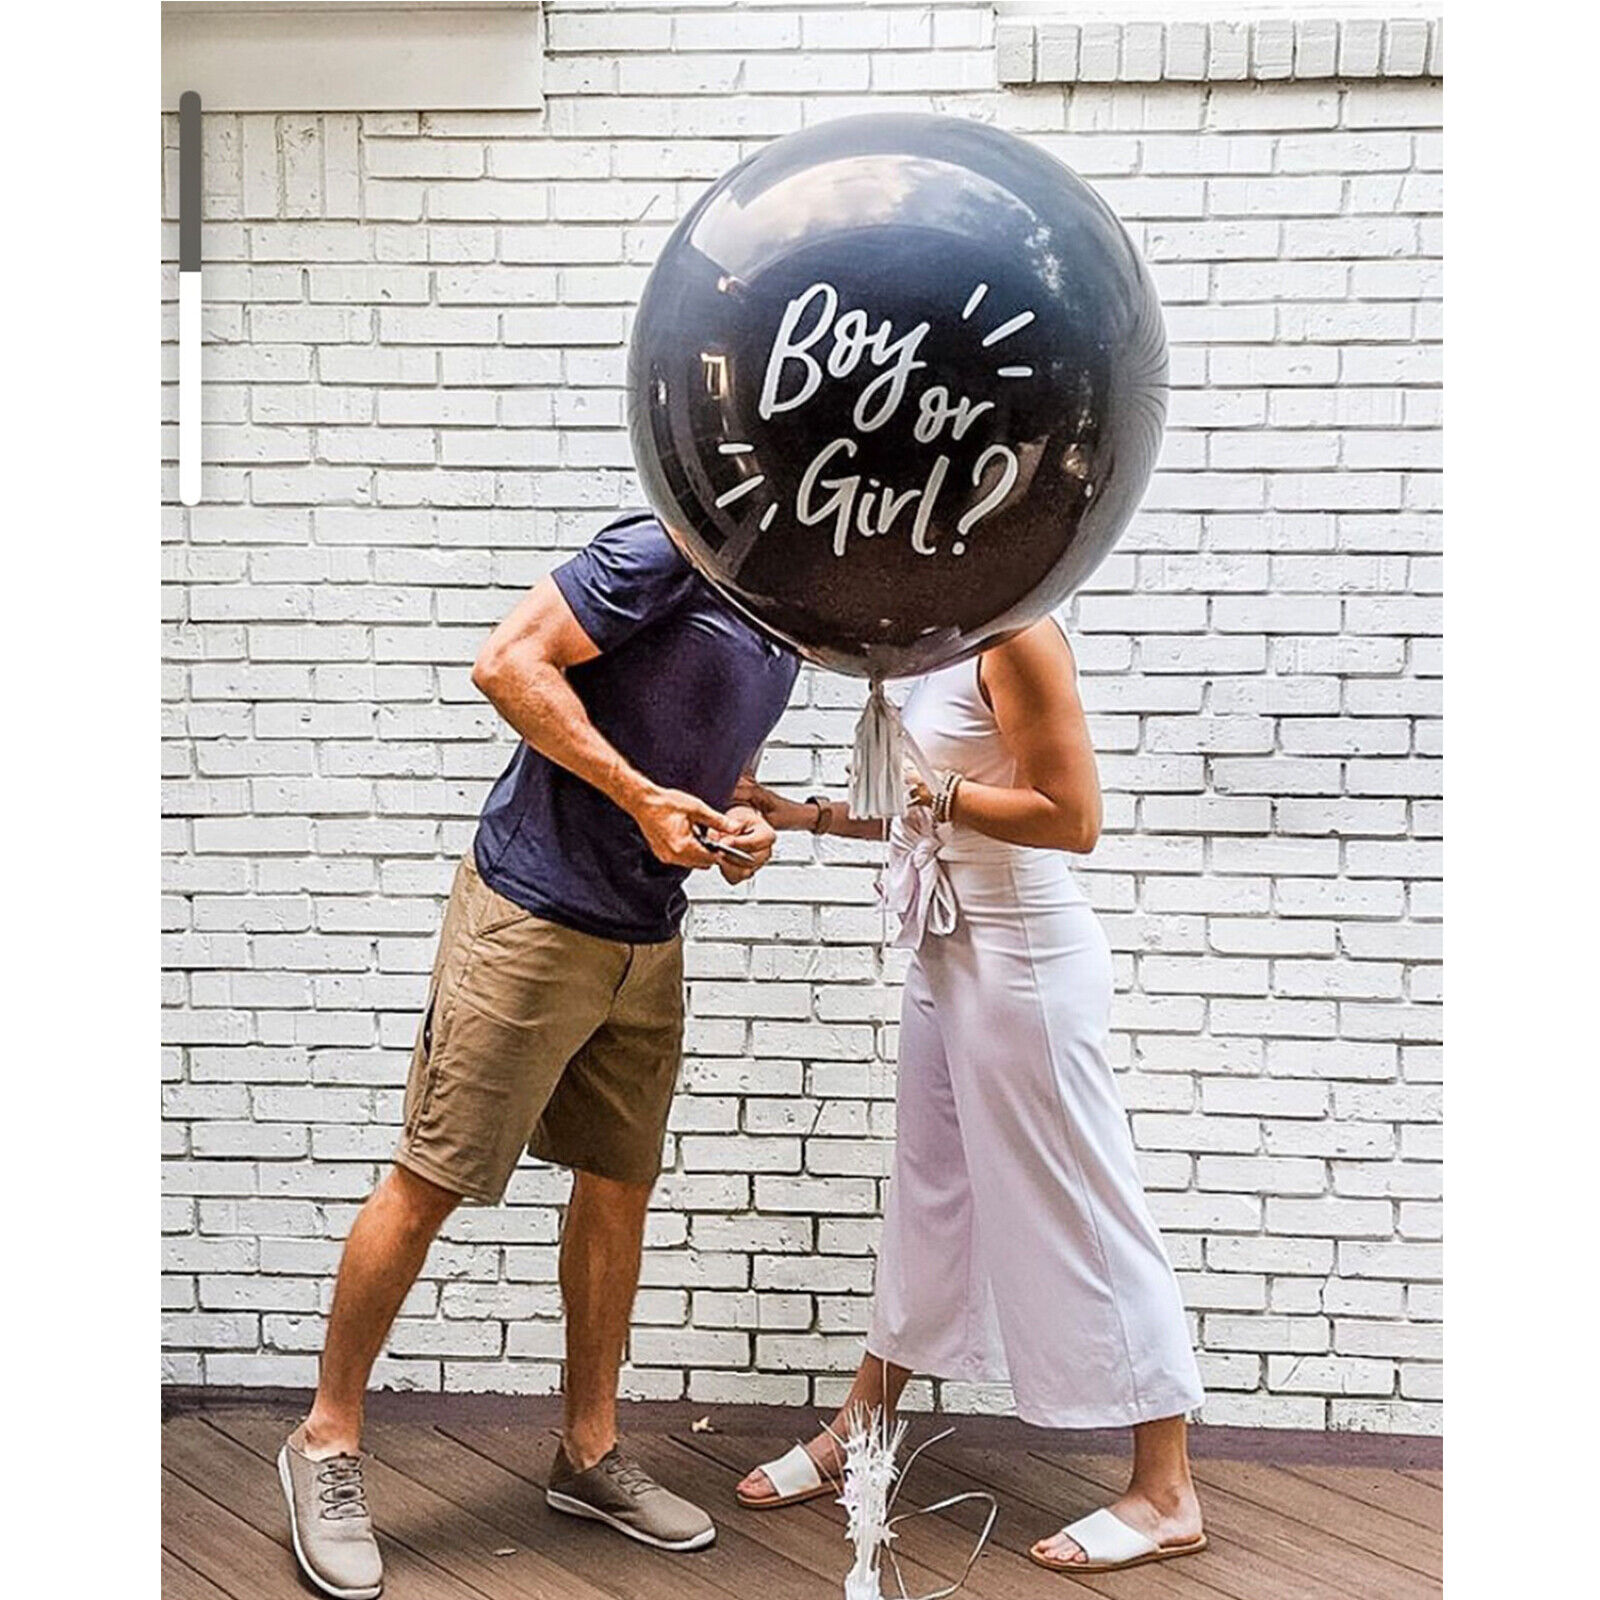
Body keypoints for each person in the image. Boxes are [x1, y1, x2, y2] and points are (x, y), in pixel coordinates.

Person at [278, 510, 798, 1599]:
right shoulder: (669, 545)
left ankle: (588, 1454)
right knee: (433, 1176)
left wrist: (742, 821)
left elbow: (724, 765)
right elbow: (507, 663)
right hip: (531, 913)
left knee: (618, 1186)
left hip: (647, 935)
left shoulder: (790, 604)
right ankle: (324, 1440)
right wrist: (638, 795)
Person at [733, 617, 1209, 1577]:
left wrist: (940, 792)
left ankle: (1167, 1492)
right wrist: (802, 813)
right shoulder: (940, 644)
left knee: (1087, 1208)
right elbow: (916, 813)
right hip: (947, 951)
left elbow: (1073, 818)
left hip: (1023, 960)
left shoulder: (1019, 638)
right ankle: (860, 1430)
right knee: (930, 1202)